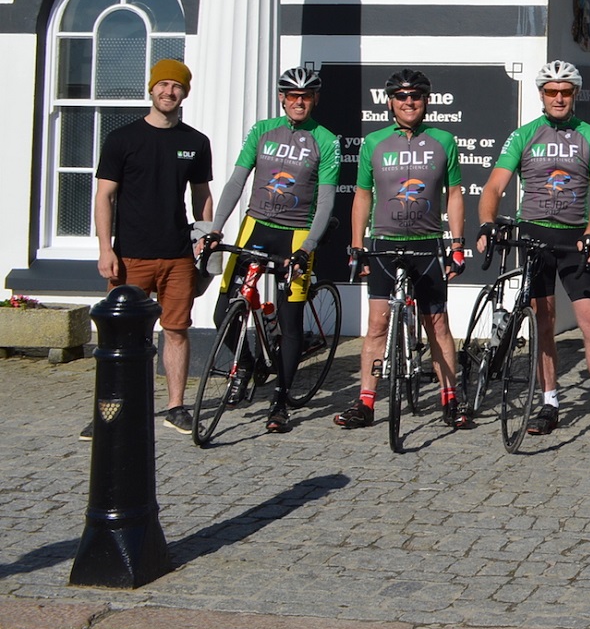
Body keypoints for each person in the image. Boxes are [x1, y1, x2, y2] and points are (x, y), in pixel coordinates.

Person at [477, 60, 590, 440]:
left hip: (574, 239)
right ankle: (549, 402)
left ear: (575, 95)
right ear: (541, 95)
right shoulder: (523, 135)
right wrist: (487, 222)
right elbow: (493, 188)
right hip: (534, 236)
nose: (559, 98)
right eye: (551, 91)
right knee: (544, 322)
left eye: (565, 91)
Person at [335, 69, 470, 431]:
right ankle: (365, 403)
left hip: (427, 243)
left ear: (426, 101)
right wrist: (357, 245)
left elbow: (453, 194)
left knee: (437, 323)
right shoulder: (374, 141)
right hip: (383, 241)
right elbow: (362, 195)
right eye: (401, 96)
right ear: (390, 102)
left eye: (415, 96)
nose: (408, 102)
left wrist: (457, 244)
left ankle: (450, 398)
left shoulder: (444, 140)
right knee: (377, 325)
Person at [208, 65, 340, 433]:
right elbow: (238, 179)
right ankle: (247, 363)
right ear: (282, 98)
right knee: (224, 311)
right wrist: (217, 228)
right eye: (293, 96)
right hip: (256, 226)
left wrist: (308, 246)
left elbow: (326, 201)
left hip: (296, 233)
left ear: (315, 99)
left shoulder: (326, 140)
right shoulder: (262, 130)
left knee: (289, 320)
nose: (299, 102)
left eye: (307, 96)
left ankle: (281, 399)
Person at [89, 57, 212, 438]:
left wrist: (204, 238)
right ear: (151, 88)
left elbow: (202, 194)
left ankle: (176, 408)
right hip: (130, 256)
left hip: (177, 256)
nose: (168, 91)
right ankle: (111, 409)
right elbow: (104, 197)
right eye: (163, 85)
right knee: (121, 335)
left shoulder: (195, 142)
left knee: (176, 329)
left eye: (176, 86)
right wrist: (105, 249)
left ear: (185, 93)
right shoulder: (122, 139)